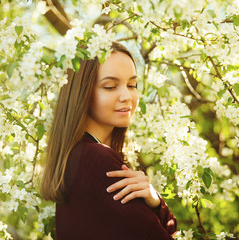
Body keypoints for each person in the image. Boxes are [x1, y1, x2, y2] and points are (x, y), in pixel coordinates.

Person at [40, 42, 177, 239]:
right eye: (110, 86)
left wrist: (155, 200)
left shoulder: (78, 157)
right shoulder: (96, 159)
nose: (127, 96)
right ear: (82, 93)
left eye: (132, 85)